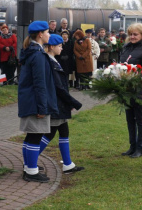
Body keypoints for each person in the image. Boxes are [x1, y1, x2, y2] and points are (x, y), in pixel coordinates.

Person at [18, 20, 58, 183]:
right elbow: (39, 83)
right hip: (36, 102)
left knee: (31, 136)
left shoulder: (32, 51)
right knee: (35, 135)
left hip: (30, 100)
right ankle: (31, 172)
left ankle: (29, 167)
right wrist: (42, 107)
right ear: (40, 34)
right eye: (47, 32)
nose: (49, 34)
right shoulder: (38, 55)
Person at [39, 34, 84, 174]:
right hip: (56, 104)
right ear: (51, 47)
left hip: (59, 104)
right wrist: (73, 102)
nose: (62, 48)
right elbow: (59, 88)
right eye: (59, 46)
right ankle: (29, 161)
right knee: (50, 133)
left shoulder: (52, 60)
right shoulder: (50, 62)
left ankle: (68, 164)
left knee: (63, 131)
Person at [119, 23, 142, 158]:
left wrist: (135, 76)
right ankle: (132, 146)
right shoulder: (125, 48)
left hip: (139, 90)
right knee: (129, 120)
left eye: (135, 34)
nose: (132, 36)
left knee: (140, 120)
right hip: (126, 90)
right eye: (131, 34)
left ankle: (140, 148)